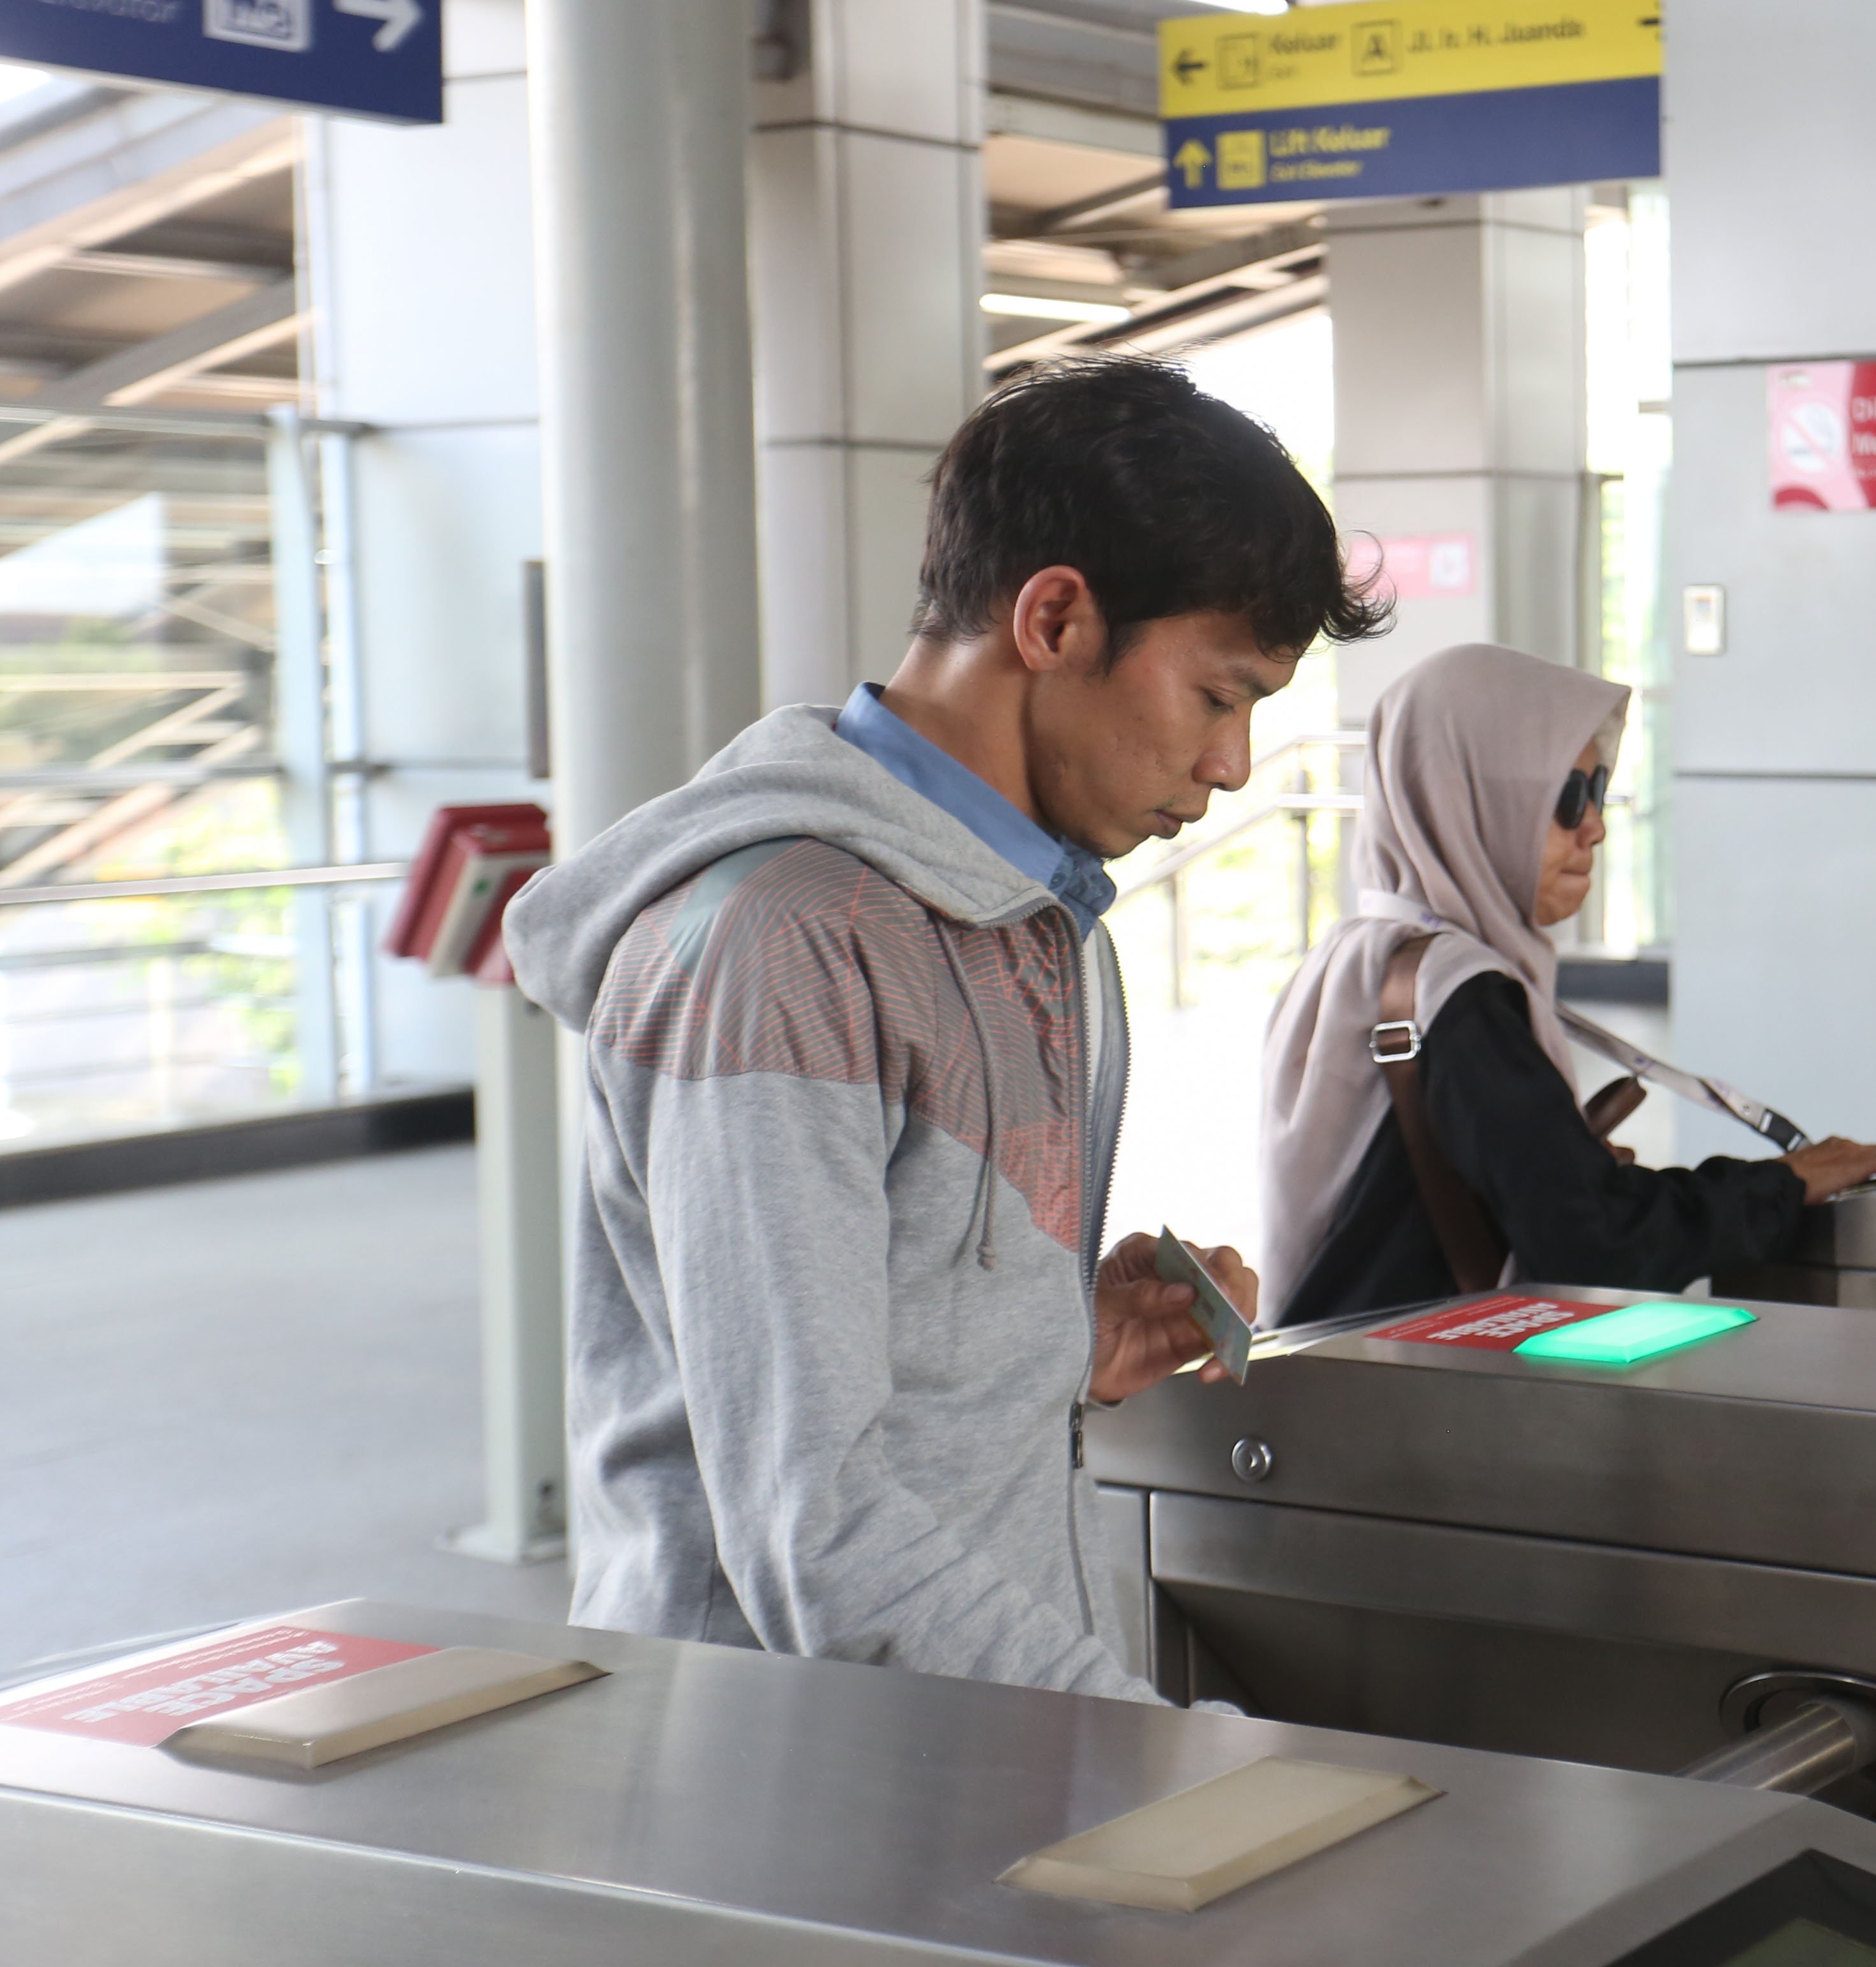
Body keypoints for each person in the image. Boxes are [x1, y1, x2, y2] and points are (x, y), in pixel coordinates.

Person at [504, 356, 1382, 1700]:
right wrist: (1141, 1750)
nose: (1232, 763)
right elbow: (816, 1525)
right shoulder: (782, 946)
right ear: (1054, 618)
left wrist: (1042, 1342)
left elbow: (859, 1369)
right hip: (789, 1765)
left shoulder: (1035, 915)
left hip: (974, 1737)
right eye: (1220, 695)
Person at [1260, 643, 1876, 1325]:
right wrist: (1784, 1184)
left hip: (1330, 1361)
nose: (1595, 826)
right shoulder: (1457, 992)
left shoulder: (1358, 953)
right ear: (1472, 798)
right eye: (1565, 796)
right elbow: (1596, 1245)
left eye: (1598, 789)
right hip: (1396, 1373)